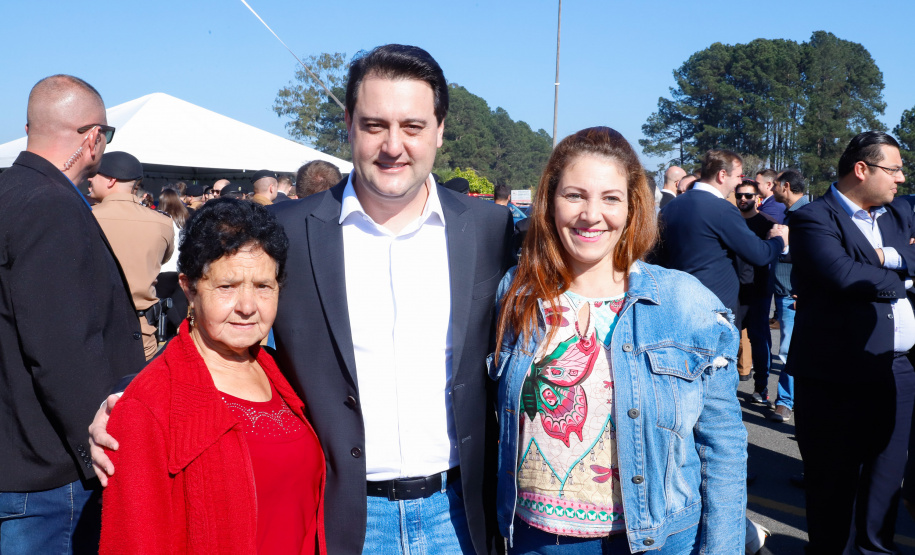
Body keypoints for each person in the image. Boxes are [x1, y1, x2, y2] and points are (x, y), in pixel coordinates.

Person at [90, 44, 513, 554]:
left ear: (440, 130)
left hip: (460, 516)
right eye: (375, 125)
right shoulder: (287, 229)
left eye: (413, 127)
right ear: (348, 124)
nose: (393, 146)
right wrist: (126, 399)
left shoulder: (489, 228)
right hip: (342, 518)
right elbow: (214, 322)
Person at [490, 127, 746, 553]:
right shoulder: (516, 293)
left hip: (657, 542)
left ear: (632, 207)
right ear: (550, 202)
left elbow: (723, 446)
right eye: (574, 195)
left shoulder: (687, 303)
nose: (591, 214)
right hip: (537, 540)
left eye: (610, 198)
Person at [99, 198, 326, 554]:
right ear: (189, 289)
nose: (247, 306)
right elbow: (133, 541)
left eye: (263, 286)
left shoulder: (286, 373)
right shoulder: (150, 405)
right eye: (227, 287)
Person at [0, 74, 145, 553]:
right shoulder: (50, 205)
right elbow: (63, 346)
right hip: (47, 472)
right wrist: (99, 447)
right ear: (94, 138)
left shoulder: (12, 191)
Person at [788, 131, 915, 554]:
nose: (901, 178)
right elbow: (843, 275)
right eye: (894, 169)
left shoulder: (898, 213)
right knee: (833, 487)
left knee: (885, 480)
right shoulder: (813, 218)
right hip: (834, 375)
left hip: (897, 372)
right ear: (862, 169)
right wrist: (904, 277)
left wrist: (885, 258)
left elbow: (862, 269)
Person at [654, 149, 787, 319]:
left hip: (678, 306)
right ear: (722, 175)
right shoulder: (723, 210)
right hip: (713, 310)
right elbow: (759, 254)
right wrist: (779, 240)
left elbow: (657, 258)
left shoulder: (669, 208)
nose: (739, 182)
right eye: (738, 176)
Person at [89, 151, 175, 360]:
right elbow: (163, 259)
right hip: (142, 332)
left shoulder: (85, 216)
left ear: (111, 180)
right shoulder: (162, 222)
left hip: (93, 330)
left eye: (94, 174)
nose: (89, 179)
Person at [767, 169, 809, 423]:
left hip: (794, 294)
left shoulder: (806, 215)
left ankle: (787, 402)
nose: (771, 189)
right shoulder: (792, 213)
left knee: (788, 350)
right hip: (787, 291)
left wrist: (779, 245)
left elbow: (811, 255)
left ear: (785, 186)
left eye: (774, 185)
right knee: (790, 349)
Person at [733, 179, 776, 400]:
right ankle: (727, 387)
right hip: (733, 289)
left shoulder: (767, 223)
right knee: (731, 339)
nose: (743, 199)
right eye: (739, 195)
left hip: (758, 289)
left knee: (758, 339)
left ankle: (761, 387)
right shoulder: (731, 221)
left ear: (757, 198)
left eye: (748, 196)